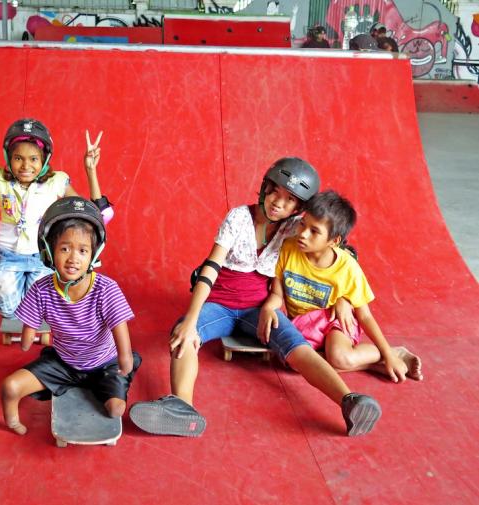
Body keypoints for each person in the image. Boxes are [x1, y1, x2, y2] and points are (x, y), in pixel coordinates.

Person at [129, 158, 382, 438]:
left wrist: (343, 299)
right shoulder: (238, 217)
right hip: (219, 306)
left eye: (289, 200)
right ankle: (182, 408)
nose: (278, 203)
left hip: (260, 311)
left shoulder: (294, 228)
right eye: (274, 191)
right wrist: (190, 320)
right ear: (263, 188)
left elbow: (340, 246)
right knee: (183, 334)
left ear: (299, 208)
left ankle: (349, 401)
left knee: (297, 347)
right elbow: (210, 268)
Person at [0, 114, 113, 318]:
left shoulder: (56, 182)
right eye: (18, 158)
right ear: (9, 158)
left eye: (34, 159)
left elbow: (99, 215)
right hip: (9, 254)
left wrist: (91, 170)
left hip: (43, 255)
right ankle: (14, 319)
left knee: (40, 304)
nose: (26, 166)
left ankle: (33, 320)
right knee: (8, 304)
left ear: (44, 159)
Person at [0, 196, 141, 435]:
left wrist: (125, 356)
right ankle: (12, 422)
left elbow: (119, 325)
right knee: (10, 386)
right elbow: (30, 327)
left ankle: (110, 388)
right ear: (48, 250)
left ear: (94, 254)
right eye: (64, 248)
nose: (73, 257)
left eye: (83, 250)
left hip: (104, 363)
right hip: (63, 363)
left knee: (115, 409)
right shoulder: (42, 289)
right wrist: (27, 338)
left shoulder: (106, 289)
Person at [254, 190, 422, 382]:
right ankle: (372, 364)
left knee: (339, 356)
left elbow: (365, 316)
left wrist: (388, 354)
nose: (303, 234)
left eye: (314, 231)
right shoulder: (288, 249)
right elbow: (277, 293)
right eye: (302, 224)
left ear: (334, 241)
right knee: (294, 362)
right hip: (305, 324)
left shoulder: (347, 268)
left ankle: (394, 353)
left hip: (335, 320)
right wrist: (268, 308)